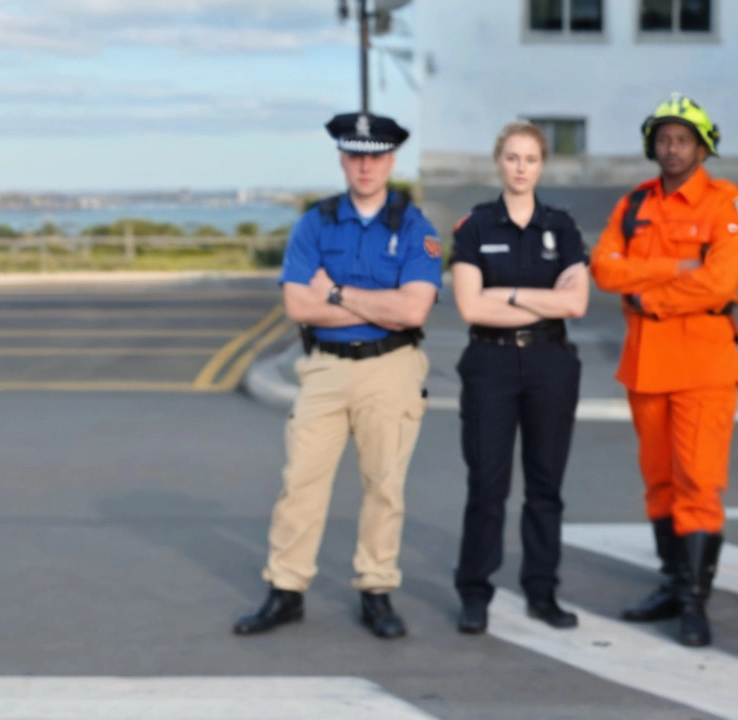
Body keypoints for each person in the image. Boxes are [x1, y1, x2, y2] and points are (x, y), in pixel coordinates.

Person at [233, 111, 443, 640]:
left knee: (383, 486)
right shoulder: (314, 223)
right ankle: (286, 590)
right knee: (300, 482)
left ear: (391, 160)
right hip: (324, 369)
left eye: (375, 156)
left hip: (390, 369)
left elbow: (413, 312)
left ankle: (376, 590)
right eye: (355, 155)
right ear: (343, 159)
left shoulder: (417, 228)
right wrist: (377, 304)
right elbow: (297, 306)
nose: (365, 165)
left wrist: (336, 291)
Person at [589, 94, 738, 648]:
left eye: (683, 138)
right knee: (659, 484)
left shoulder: (726, 203)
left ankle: (694, 604)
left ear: (704, 146)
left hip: (703, 364)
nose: (672, 147)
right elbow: (605, 269)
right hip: (645, 366)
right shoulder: (635, 202)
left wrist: (650, 298)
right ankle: (671, 583)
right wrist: (670, 267)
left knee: (697, 485)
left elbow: (718, 284)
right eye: (663, 138)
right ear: (651, 145)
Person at [448, 121, 590, 634]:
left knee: (545, 485)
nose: (521, 167)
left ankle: (541, 591)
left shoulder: (563, 226)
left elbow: (576, 302)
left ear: (542, 164)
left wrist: (505, 294)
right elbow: (469, 305)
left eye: (530, 158)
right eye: (512, 157)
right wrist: (538, 300)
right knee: (486, 484)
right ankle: (474, 592)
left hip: (550, 363)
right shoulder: (476, 227)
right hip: (491, 364)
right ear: (498, 162)